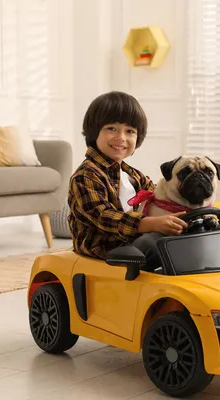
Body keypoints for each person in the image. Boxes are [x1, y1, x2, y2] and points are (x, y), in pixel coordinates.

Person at [68, 91, 188, 270]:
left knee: (180, 242)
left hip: (130, 242)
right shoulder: (86, 176)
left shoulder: (132, 175)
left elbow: (158, 196)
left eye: (130, 131)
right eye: (111, 128)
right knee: (155, 245)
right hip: (104, 247)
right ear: (94, 132)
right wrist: (150, 223)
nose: (121, 138)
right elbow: (104, 216)